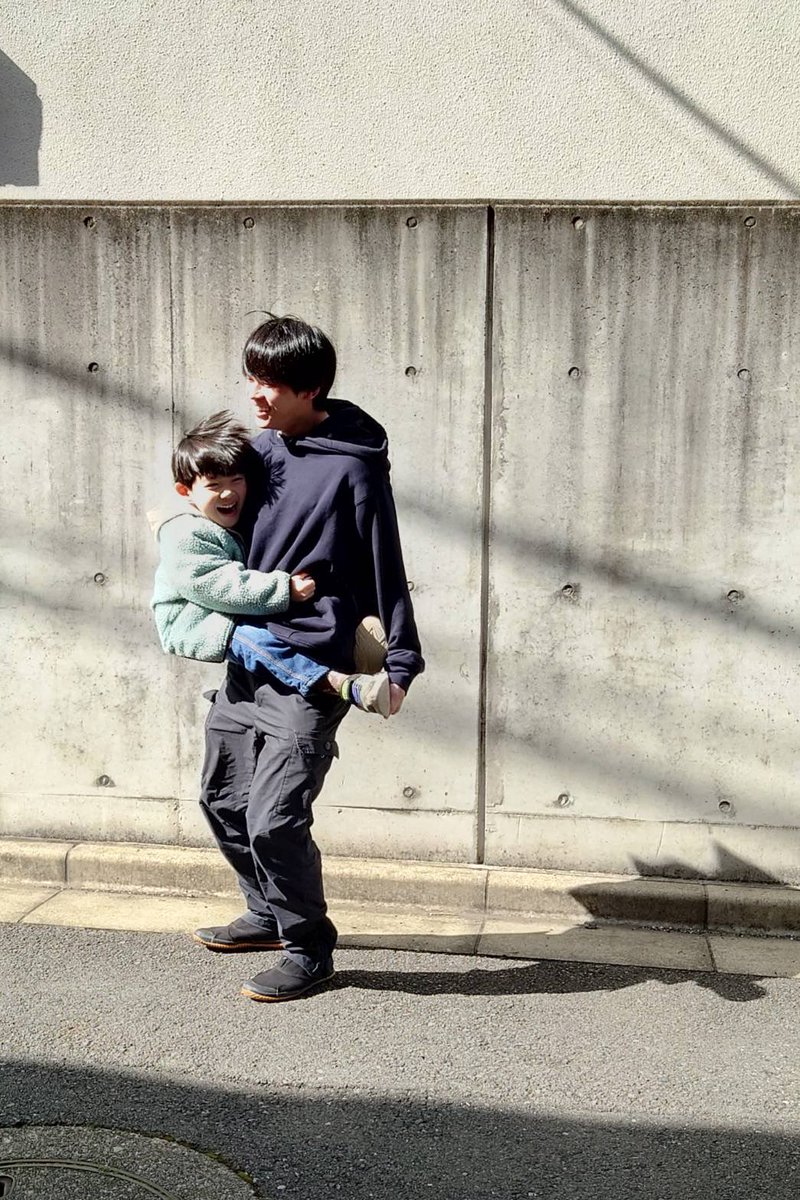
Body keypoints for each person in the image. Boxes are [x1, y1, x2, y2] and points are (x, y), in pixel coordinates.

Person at [193, 314, 424, 1002]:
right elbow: (217, 522)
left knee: (275, 819)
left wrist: (402, 662)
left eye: (269, 383)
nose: (255, 394)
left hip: (314, 671)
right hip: (247, 657)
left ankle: (308, 948)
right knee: (222, 800)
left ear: (310, 389)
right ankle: (267, 913)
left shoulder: (353, 467)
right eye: (251, 379)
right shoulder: (257, 453)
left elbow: (386, 564)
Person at [148, 410, 391, 716]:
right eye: (214, 485)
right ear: (185, 491)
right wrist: (283, 589)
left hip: (218, 613)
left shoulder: (220, 516)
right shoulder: (183, 531)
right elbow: (216, 585)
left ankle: (342, 655)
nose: (228, 492)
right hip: (191, 619)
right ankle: (338, 683)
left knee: (261, 642)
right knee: (259, 642)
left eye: (236, 480)